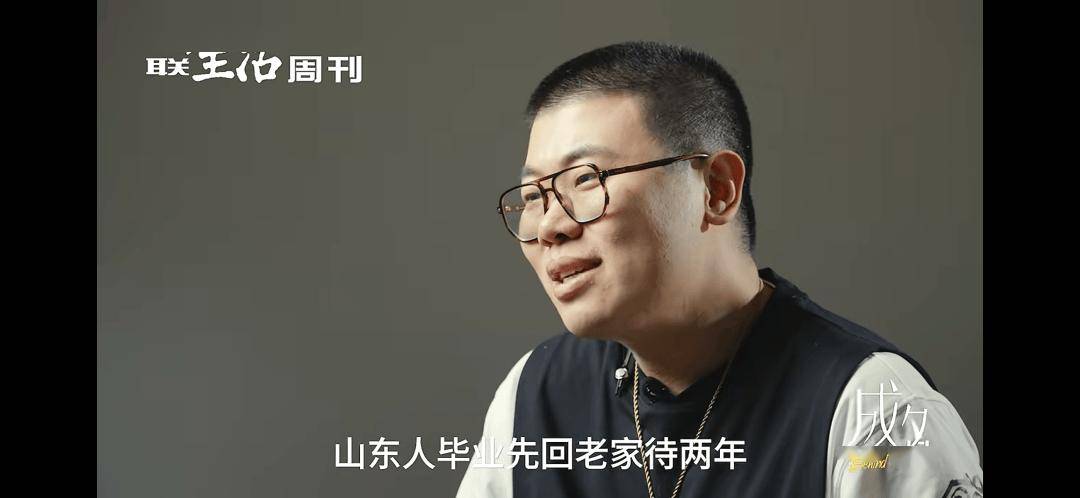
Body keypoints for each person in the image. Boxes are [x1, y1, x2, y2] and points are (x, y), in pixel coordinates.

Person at [457, 41, 982, 498]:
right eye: (533, 195)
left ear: (717, 189)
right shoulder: (534, 396)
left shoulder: (875, 415)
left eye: (585, 179)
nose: (550, 225)